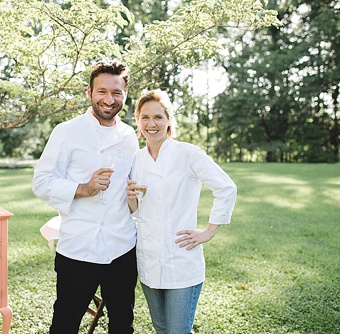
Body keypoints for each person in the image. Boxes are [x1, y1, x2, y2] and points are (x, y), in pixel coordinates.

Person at [32, 60, 139, 334]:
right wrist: (85, 188)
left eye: (116, 93)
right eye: (102, 91)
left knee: (122, 325)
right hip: (78, 248)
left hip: (122, 247)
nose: (109, 99)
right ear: (89, 92)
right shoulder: (66, 131)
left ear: (125, 95)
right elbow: (41, 182)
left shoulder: (129, 136)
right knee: (65, 324)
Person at [126, 89, 237, 334]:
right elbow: (135, 210)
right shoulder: (135, 159)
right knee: (162, 327)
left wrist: (209, 231)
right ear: (138, 121)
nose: (151, 124)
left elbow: (226, 188)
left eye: (158, 117)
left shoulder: (187, 154)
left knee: (177, 330)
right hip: (149, 259)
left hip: (180, 258)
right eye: (145, 117)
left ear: (169, 120)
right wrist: (131, 198)